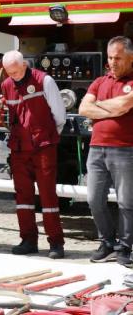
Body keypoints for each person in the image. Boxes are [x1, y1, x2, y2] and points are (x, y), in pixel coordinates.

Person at [0, 50, 66, 259]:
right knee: (23, 197)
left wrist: (47, 136)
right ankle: (28, 239)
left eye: (17, 72)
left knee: (47, 195)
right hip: (19, 149)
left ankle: (56, 243)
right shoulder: (7, 85)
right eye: (10, 73)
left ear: (25, 66)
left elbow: (58, 114)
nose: (14, 76)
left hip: (42, 146)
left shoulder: (44, 80)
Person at [79, 36, 133, 266]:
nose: (112, 62)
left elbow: (124, 106)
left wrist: (98, 108)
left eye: (118, 58)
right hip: (96, 149)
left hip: (125, 150)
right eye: (110, 57)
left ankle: (126, 246)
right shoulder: (100, 81)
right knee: (94, 199)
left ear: (131, 58)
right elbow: (83, 108)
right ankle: (108, 242)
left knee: (127, 202)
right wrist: (114, 108)